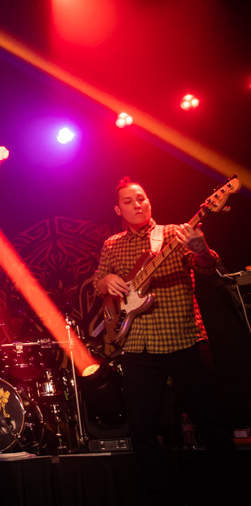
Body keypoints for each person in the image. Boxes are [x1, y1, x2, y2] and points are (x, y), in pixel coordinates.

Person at [92, 177, 235, 504]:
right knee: (142, 430)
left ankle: (227, 490)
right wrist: (107, 280)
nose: (137, 204)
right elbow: (99, 283)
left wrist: (201, 250)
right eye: (128, 201)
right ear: (118, 210)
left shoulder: (175, 233)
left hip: (183, 337)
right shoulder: (112, 244)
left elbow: (209, 269)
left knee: (213, 421)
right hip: (138, 345)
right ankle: (161, 494)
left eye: (141, 198)